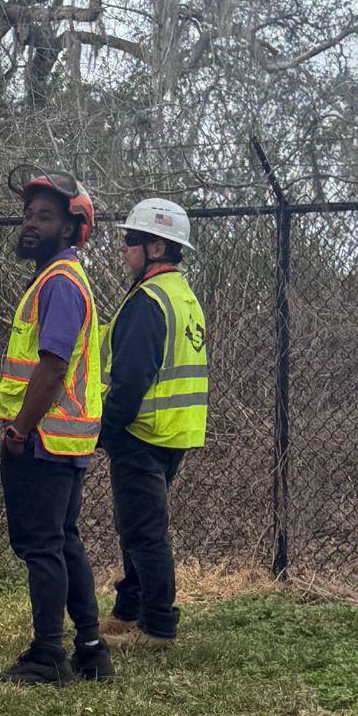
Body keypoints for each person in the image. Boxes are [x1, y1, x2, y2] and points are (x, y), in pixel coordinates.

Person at [0, 170, 113, 686]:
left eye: (44, 216)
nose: (30, 224)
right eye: (27, 214)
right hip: (66, 439)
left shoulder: (59, 283)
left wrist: (19, 430)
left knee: (42, 546)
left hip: (42, 440)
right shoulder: (60, 279)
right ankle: (91, 649)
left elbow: (53, 365)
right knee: (63, 542)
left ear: (70, 227)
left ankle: (46, 656)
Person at [99, 197, 209, 649]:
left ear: (157, 248)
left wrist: (101, 432)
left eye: (132, 240)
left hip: (141, 431)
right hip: (170, 432)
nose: (124, 248)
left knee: (144, 531)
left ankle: (157, 626)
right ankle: (130, 609)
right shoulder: (182, 297)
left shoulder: (149, 301)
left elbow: (129, 380)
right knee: (136, 524)